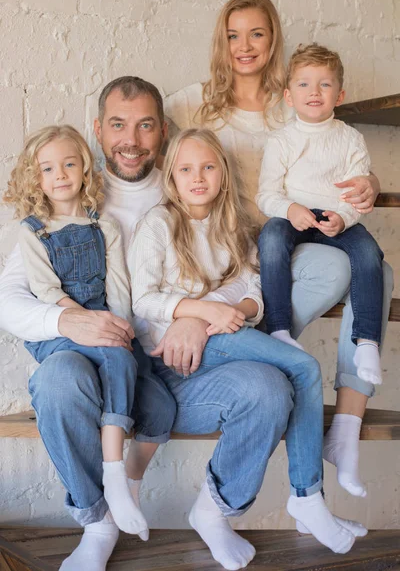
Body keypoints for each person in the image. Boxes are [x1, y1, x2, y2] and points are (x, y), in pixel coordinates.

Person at [0, 76, 297, 571]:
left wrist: (194, 318)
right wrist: (67, 320)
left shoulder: (190, 177)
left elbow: (242, 268)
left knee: (269, 388)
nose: (131, 141)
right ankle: (98, 521)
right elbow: (9, 297)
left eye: (144, 126)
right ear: (98, 130)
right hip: (105, 368)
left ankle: (215, 511)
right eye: (118, 125)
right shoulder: (72, 189)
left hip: (184, 368)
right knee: (56, 380)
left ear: (162, 131)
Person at [163, 0, 394, 500]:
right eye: (232, 35)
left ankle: (348, 425)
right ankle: (263, 343)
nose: (244, 46)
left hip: (294, 237)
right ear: (220, 43)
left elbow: (336, 152)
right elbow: (149, 145)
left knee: (371, 267)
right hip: (236, 249)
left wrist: (370, 182)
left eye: (257, 33)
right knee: (335, 274)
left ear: (274, 39)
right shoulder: (192, 101)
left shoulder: (292, 97)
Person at [129, 126, 367, 555]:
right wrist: (203, 312)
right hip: (175, 363)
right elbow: (143, 299)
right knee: (305, 366)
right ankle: (308, 496)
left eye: (207, 167)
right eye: (185, 168)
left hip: (222, 342)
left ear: (223, 172)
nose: (197, 177)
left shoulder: (235, 227)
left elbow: (255, 290)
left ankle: (213, 508)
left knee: (275, 389)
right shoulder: (159, 224)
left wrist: (232, 312)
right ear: (171, 176)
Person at [2, 124, 177, 538]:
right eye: (47, 168)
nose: (60, 174)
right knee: (105, 359)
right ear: (35, 178)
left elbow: (118, 287)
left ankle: (126, 486)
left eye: (69, 164)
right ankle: (108, 482)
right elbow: (44, 289)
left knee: (160, 404)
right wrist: (80, 320)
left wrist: (118, 326)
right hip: (61, 327)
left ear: (85, 170)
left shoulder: (105, 226)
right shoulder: (32, 231)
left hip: (104, 317)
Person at [257, 43, 384, 389]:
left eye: (324, 85)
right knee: (269, 238)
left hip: (334, 216)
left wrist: (342, 218)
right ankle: (279, 328)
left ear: (339, 94)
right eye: (303, 84)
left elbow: (356, 195)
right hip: (292, 218)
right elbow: (266, 194)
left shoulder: (350, 139)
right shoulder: (281, 140)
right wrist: (290, 210)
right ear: (288, 95)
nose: (314, 92)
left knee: (370, 254)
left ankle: (367, 342)